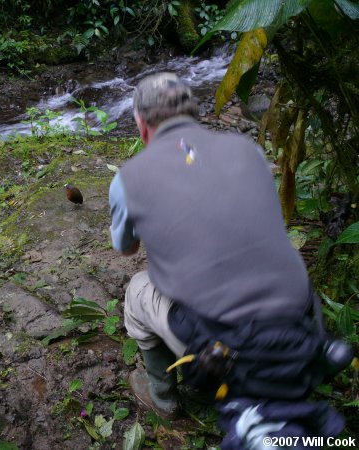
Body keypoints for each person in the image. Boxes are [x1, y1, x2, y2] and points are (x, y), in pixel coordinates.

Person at [110, 73, 349, 447]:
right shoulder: (245, 150)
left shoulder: (129, 178)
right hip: (299, 317)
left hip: (226, 338)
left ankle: (164, 397)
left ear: (142, 126)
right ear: (194, 113)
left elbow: (126, 250)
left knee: (137, 291)